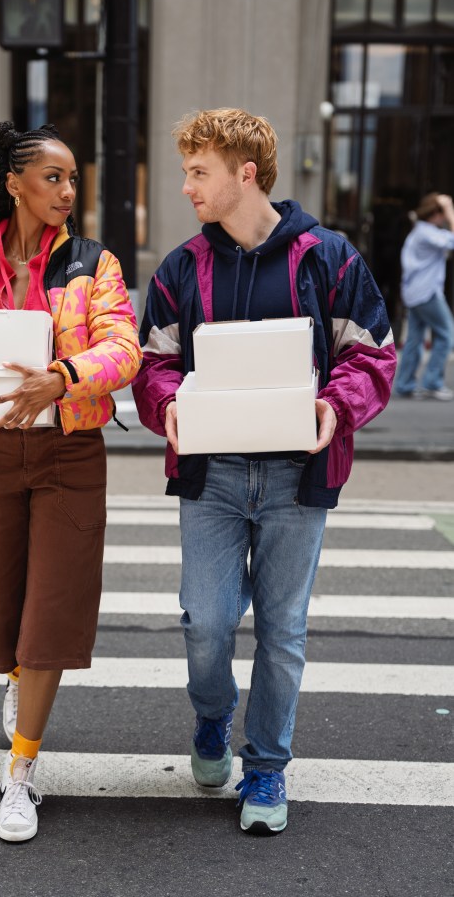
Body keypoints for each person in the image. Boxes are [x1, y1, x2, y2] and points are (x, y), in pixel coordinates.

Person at [132, 108, 396, 835]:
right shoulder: (182, 268)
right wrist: (166, 407)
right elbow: (152, 363)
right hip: (210, 477)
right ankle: (212, 718)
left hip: (295, 481)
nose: (185, 186)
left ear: (244, 174)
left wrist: (336, 407)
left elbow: (370, 354)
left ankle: (267, 772)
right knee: (206, 625)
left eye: (197, 172)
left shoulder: (328, 256)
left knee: (282, 631)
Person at [0, 121, 141, 842]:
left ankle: (21, 771)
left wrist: (63, 379)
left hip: (69, 455)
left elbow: (123, 348)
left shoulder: (91, 263)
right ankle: (12, 673)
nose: (67, 191)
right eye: (53, 177)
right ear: (13, 183)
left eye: (73, 179)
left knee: (51, 612)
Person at [394, 193, 454, 402]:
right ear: (436, 213)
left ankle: (405, 384)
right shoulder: (427, 233)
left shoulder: (421, 231)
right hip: (426, 292)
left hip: (415, 292)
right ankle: (432, 382)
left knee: (414, 339)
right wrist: (450, 212)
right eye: (442, 213)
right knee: (447, 334)